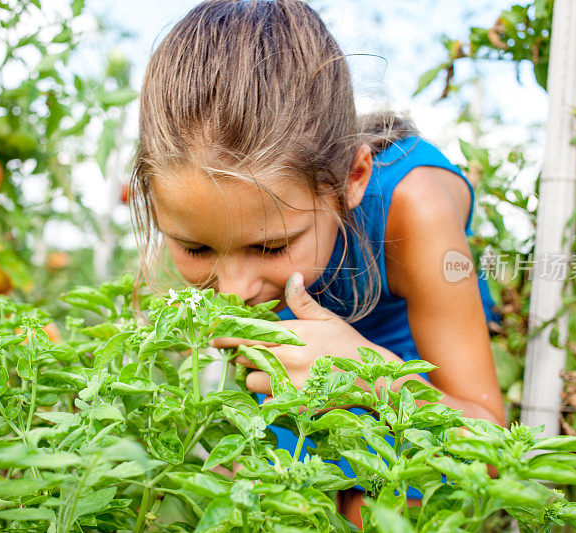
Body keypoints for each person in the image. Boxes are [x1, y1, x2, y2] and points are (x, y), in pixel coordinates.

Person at [129, 0, 505, 526]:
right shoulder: (272, 227)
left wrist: (373, 376)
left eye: (270, 246)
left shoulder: (415, 210)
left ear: (351, 179)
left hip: (408, 348)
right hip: (321, 320)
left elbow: (491, 446)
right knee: (285, 492)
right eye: (196, 248)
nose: (234, 290)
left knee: (383, 503)